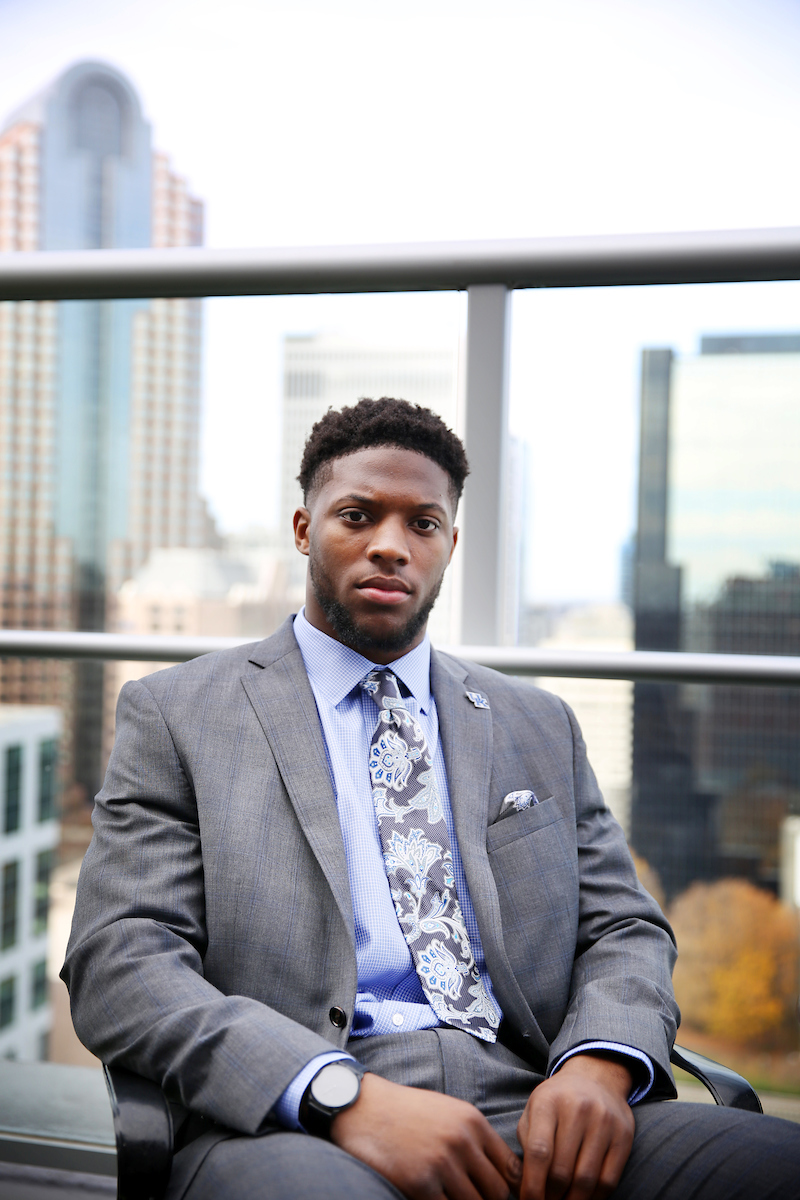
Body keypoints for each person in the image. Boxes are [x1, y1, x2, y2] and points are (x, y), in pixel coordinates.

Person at [63, 398, 799, 1200]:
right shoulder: (178, 712)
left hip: (540, 1103)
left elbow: (622, 925)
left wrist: (599, 1064)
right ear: (306, 529)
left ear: (450, 543)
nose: (390, 546)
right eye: (357, 516)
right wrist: (336, 1093)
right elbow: (121, 960)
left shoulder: (537, 722)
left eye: (422, 523)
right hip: (297, 1125)